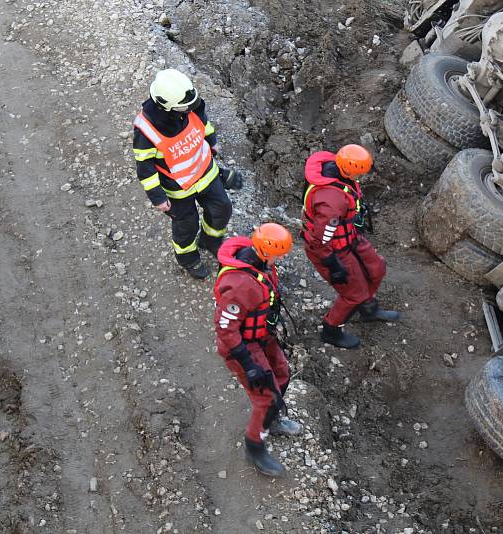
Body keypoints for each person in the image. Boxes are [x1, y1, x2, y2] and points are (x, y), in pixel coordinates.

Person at [132, 69, 243, 279]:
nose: (190, 108)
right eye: (185, 107)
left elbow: (202, 124)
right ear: (165, 106)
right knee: (186, 226)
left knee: (222, 209)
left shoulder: (189, 105)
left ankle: (210, 240)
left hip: (206, 174)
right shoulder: (146, 131)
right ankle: (188, 259)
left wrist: (212, 142)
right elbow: (145, 168)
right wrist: (157, 196)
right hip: (177, 191)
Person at [214, 223, 302, 477]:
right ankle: (255, 446)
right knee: (266, 397)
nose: (282, 259)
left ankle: (271, 420)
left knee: (282, 373)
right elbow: (226, 329)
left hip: (263, 335)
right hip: (242, 345)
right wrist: (249, 365)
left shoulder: (261, 264)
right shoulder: (241, 285)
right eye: (280, 254)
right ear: (266, 250)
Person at [301, 144, 399, 349]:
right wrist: (332, 264)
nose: (362, 177)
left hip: (350, 238)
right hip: (332, 250)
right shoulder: (331, 200)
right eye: (360, 173)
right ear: (351, 169)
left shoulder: (338, 174)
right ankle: (331, 330)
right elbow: (320, 240)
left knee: (376, 268)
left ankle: (368, 309)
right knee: (352, 293)